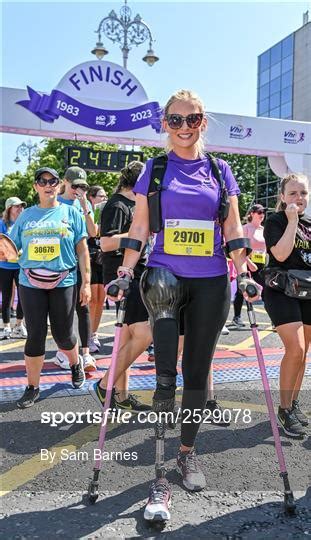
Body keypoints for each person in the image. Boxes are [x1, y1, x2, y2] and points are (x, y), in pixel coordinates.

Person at [108, 89, 260, 521]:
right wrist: (124, 270)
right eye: (175, 120)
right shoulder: (155, 170)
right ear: (164, 125)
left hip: (212, 280)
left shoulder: (219, 168)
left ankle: (187, 453)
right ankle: (158, 475)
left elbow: (231, 225)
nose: (184, 127)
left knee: (196, 374)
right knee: (163, 375)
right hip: (163, 277)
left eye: (192, 119)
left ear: (203, 122)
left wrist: (244, 273)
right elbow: (140, 225)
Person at [7, 167, 89, 408]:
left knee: (64, 334)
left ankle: (75, 364)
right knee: (35, 335)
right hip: (30, 282)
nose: (48, 185)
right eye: (42, 181)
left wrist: (86, 283)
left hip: (63, 280)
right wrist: (9, 253)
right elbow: (12, 248)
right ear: (36, 187)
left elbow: (83, 251)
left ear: (59, 184)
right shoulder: (26, 216)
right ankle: (32, 387)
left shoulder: (71, 212)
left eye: (52, 180)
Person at [90, 161, 152, 413]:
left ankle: (122, 395)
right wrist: (136, 235)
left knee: (125, 339)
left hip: (136, 274)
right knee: (145, 334)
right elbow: (105, 243)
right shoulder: (117, 204)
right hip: (123, 278)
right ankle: (105, 385)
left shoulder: (135, 204)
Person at [263, 173, 310, 438]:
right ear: (282, 197)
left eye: (303, 193)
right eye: (292, 193)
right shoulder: (276, 220)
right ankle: (283, 408)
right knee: (296, 348)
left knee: (303, 355)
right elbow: (280, 254)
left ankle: (292, 403)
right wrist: (292, 221)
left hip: (308, 291)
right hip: (282, 290)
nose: (298, 198)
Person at [54, 166, 97, 371]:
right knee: (64, 310)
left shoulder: (84, 203)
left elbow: (93, 232)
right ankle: (64, 351)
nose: (77, 189)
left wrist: (85, 207)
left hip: (81, 261)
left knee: (84, 307)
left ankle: (86, 354)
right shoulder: (54, 201)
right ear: (65, 182)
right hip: (60, 264)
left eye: (82, 186)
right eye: (74, 185)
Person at [231, 203, 267, 328]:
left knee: (267, 291)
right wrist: (249, 263)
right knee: (243, 290)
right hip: (247, 264)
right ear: (252, 213)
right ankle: (237, 317)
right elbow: (241, 248)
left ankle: (274, 320)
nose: (262, 215)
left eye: (263, 212)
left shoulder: (264, 230)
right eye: (259, 212)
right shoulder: (246, 228)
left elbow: (266, 249)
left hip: (261, 265)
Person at [0, 197, 27, 339]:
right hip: (4, 266)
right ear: (9, 208)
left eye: (22, 207)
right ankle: (6, 327)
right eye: (17, 206)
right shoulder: (2, 224)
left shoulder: (24, 224)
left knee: (23, 296)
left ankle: (19, 325)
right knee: (6, 297)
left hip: (21, 265)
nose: (20, 209)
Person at [87, 185, 108, 353]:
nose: (104, 198)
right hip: (90, 257)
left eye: (105, 195)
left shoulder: (106, 212)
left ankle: (94, 333)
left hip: (103, 257)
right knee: (92, 299)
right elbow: (92, 233)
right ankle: (86, 334)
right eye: (101, 195)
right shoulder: (86, 211)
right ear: (91, 198)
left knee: (101, 299)